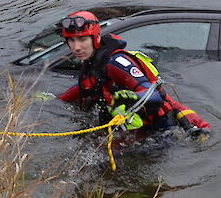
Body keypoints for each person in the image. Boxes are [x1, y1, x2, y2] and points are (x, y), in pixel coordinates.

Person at [55, 10, 210, 137]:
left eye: (82, 39)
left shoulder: (116, 62)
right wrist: (51, 99)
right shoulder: (92, 63)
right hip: (137, 131)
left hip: (163, 131)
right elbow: (85, 87)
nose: (76, 47)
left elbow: (154, 94)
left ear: (95, 38)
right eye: (72, 40)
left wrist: (135, 98)